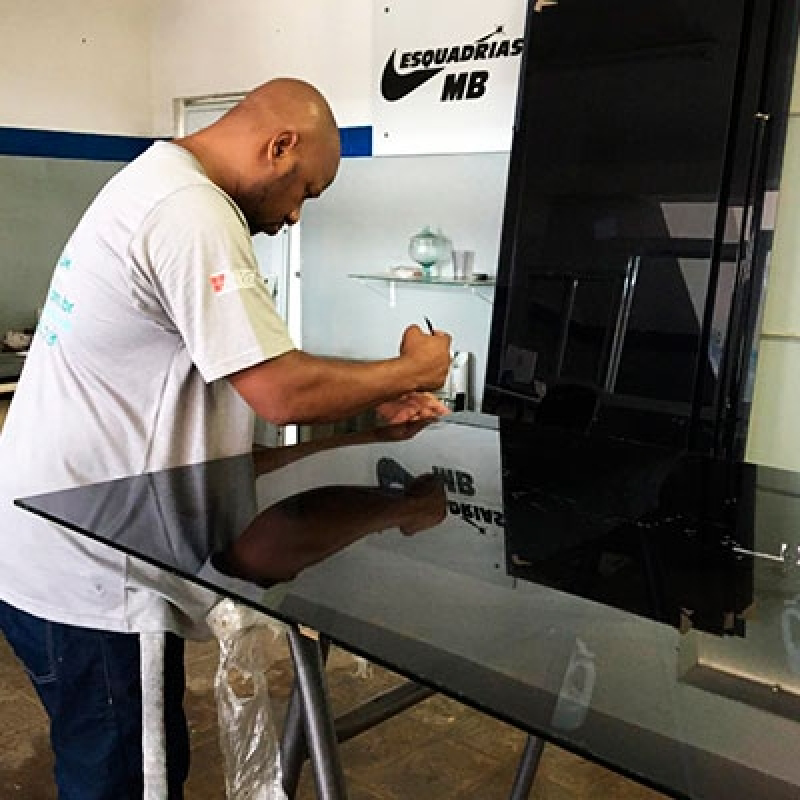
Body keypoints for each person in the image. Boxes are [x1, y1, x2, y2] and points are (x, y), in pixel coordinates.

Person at [0, 77, 452, 798]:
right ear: (278, 147)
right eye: (304, 189)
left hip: (62, 551)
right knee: (123, 781)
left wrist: (366, 431)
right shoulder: (190, 212)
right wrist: (416, 366)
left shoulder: (156, 184)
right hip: (93, 576)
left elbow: (230, 461)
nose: (295, 216)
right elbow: (282, 389)